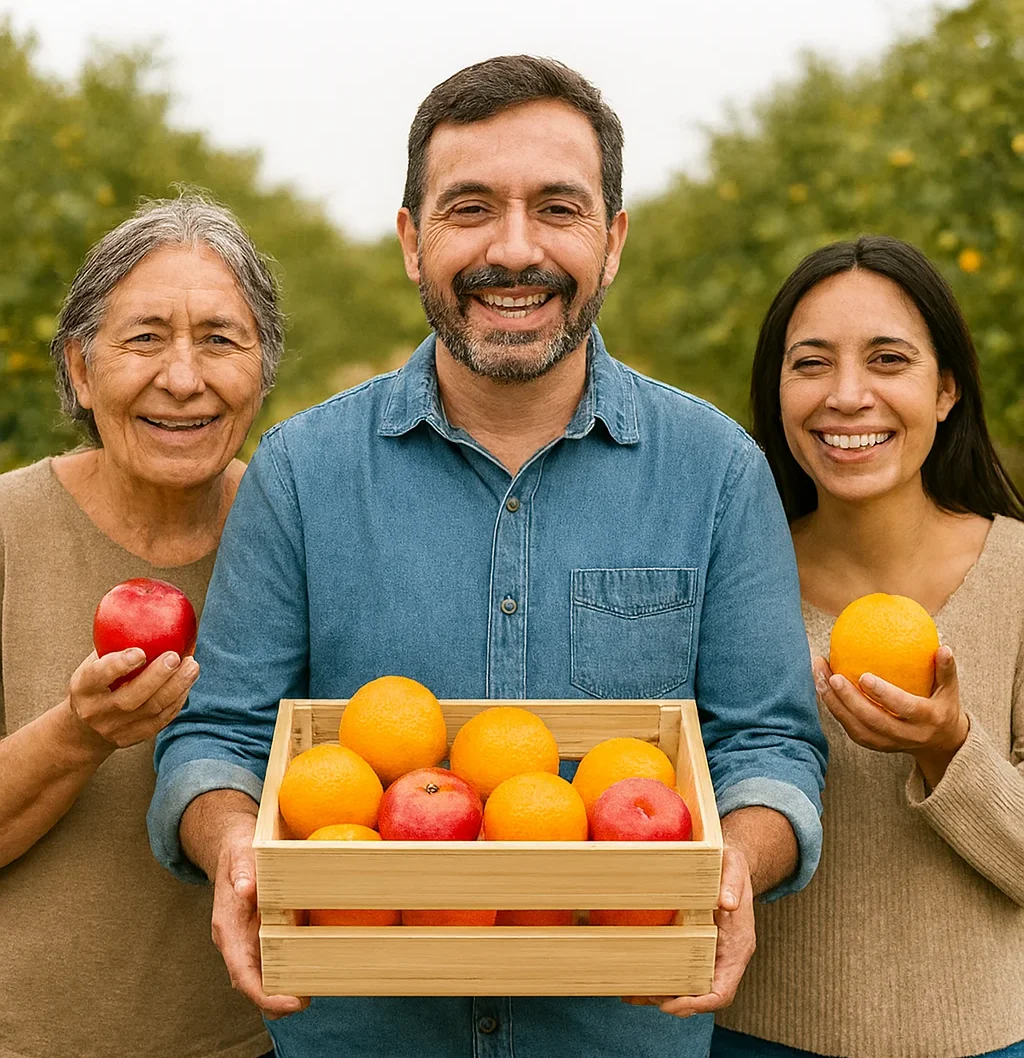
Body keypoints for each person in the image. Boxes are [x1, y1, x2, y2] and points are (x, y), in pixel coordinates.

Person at [148, 56, 827, 1058]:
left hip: (621, 1033)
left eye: (557, 208)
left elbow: (768, 744)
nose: (515, 250)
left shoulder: (716, 472)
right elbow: (219, 734)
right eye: (470, 209)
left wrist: (737, 861)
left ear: (612, 241)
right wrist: (236, 846)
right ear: (411, 241)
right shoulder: (301, 473)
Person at [713, 235, 1024, 1058]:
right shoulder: (731, 578)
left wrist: (948, 748)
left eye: (888, 360)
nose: (847, 396)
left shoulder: (1019, 577)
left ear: (947, 388)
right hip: (751, 1040)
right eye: (811, 364)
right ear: (777, 391)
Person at [0, 194, 281, 1058]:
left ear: (264, 369)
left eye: (221, 340)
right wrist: (79, 733)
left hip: (253, 1044)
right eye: (146, 338)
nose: (184, 379)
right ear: (81, 370)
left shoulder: (294, 541)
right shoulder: (7, 531)